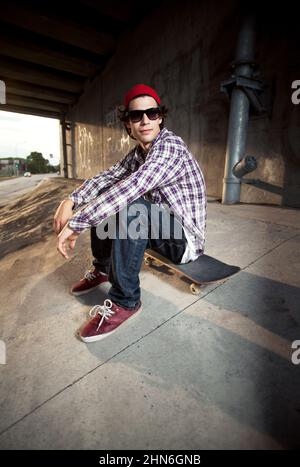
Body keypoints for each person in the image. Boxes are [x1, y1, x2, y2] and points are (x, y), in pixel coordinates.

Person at [54, 84, 207, 343]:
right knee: (110, 199)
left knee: (131, 205)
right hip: (158, 228)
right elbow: (109, 177)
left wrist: (78, 221)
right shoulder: (138, 153)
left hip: (183, 239)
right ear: (128, 124)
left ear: (161, 118)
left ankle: (126, 301)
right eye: (136, 116)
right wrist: (71, 199)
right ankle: (103, 269)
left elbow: (136, 185)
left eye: (152, 113)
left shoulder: (170, 147)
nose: (145, 120)